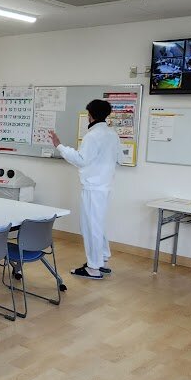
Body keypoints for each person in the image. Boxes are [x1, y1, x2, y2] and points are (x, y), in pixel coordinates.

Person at [48, 99, 120, 280]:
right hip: (104, 187)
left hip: (93, 188)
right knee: (98, 225)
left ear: (91, 115)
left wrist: (59, 146)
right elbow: (118, 158)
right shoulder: (112, 134)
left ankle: (93, 268)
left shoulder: (92, 136)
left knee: (91, 227)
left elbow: (81, 160)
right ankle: (102, 260)